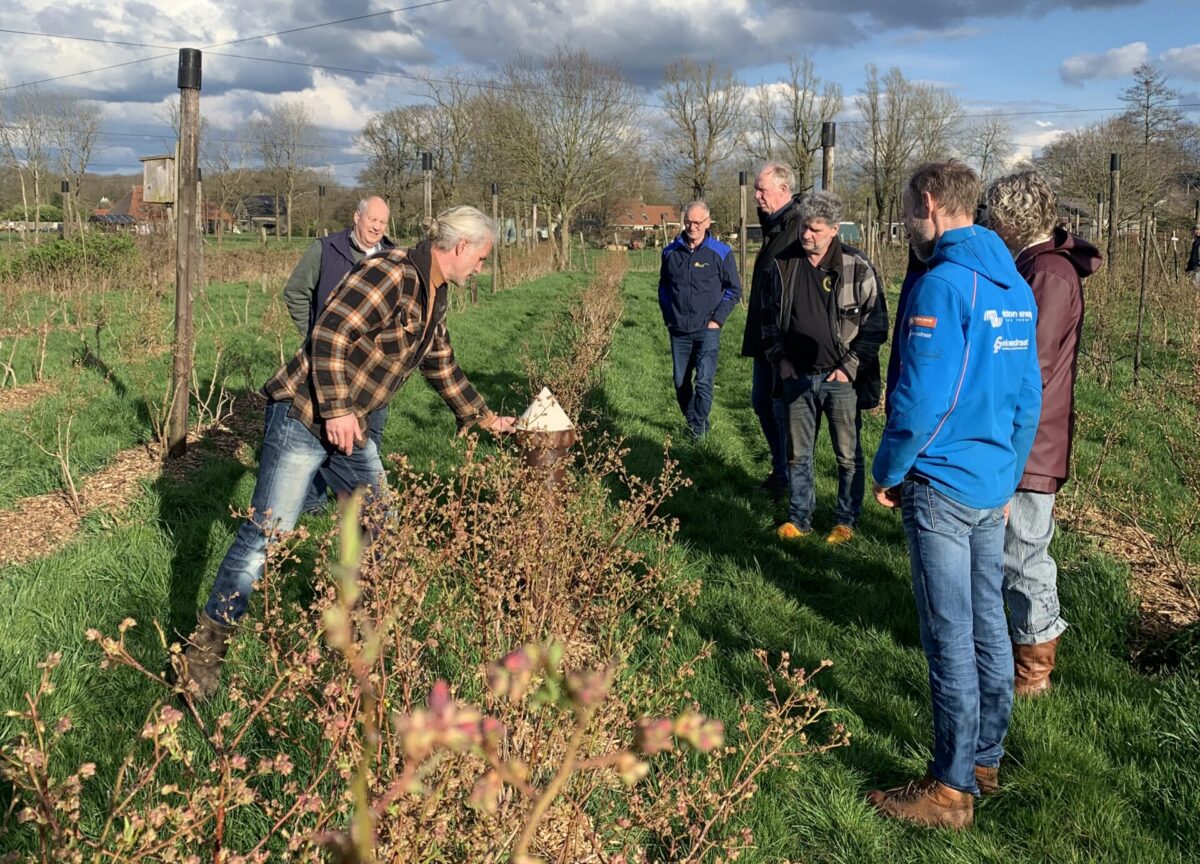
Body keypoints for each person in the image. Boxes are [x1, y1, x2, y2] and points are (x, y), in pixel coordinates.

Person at [179, 206, 516, 701]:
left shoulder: (434, 294)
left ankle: (358, 643)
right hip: (306, 415)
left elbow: (440, 360)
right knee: (267, 534)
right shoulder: (392, 273)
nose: (481, 268)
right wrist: (337, 410)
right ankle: (202, 659)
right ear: (460, 247)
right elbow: (328, 334)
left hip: (347, 428)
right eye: (481, 258)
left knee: (381, 526)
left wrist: (485, 418)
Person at [869, 161, 1042, 829]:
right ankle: (986, 759)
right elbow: (1030, 397)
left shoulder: (944, 284)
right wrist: (1008, 474)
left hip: (941, 483)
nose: (909, 222)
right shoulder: (1013, 286)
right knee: (987, 626)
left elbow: (922, 403)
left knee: (949, 635)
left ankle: (949, 788)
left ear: (931, 203)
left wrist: (888, 469)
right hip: (989, 481)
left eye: (910, 210)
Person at [985, 170, 1100, 696]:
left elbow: (1030, 360)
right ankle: (1017, 647)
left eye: (994, 216)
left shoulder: (1047, 273)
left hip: (1032, 435)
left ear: (1011, 219)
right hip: (1026, 431)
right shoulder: (1032, 265)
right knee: (1014, 545)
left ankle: (1033, 671)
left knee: (1025, 550)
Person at [760, 190, 887, 545]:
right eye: (804, 227)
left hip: (841, 379)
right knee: (798, 455)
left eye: (815, 229)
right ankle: (799, 518)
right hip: (796, 376)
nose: (806, 235)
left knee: (847, 456)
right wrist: (779, 359)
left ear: (834, 229)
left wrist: (848, 367)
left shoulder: (857, 267)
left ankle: (846, 521)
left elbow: (876, 326)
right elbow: (767, 319)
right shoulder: (783, 265)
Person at [283, 196, 394, 513]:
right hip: (330, 361)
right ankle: (314, 502)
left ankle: (362, 496)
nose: (377, 227)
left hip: (372, 366)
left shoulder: (391, 257)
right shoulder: (327, 249)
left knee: (371, 432)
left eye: (383, 222)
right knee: (320, 429)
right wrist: (314, 335)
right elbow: (295, 292)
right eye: (372, 219)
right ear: (356, 216)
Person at [658, 200, 742, 438]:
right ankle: (697, 423)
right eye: (687, 222)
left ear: (707, 222)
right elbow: (664, 287)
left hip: (708, 329)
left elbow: (734, 290)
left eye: (697, 222)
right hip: (679, 330)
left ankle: (697, 432)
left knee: (704, 381)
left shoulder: (721, 252)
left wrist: (717, 321)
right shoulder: (670, 252)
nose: (691, 227)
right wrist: (668, 315)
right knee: (680, 383)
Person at [742, 162, 802, 494]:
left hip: (784, 340)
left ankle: (792, 479)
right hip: (764, 338)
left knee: (781, 410)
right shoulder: (774, 228)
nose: (756, 196)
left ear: (783, 189)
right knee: (762, 403)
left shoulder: (796, 229)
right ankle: (782, 470)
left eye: (761, 189)